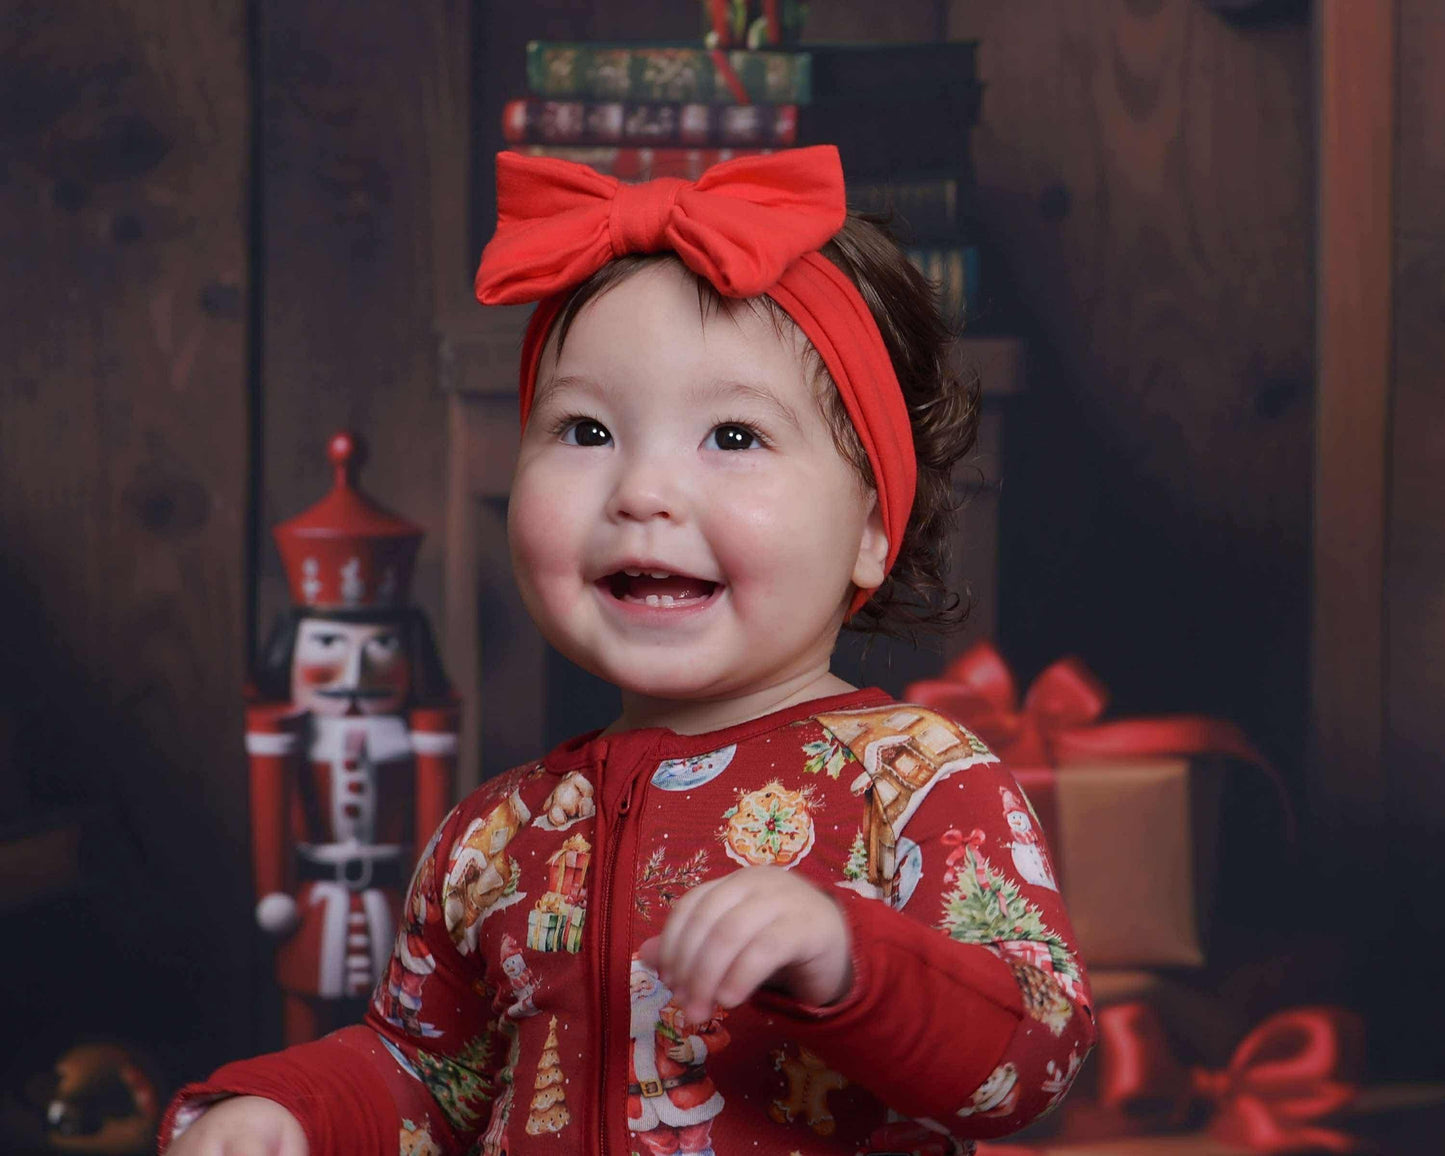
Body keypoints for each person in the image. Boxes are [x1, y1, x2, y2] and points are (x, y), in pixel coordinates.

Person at [161, 145, 1094, 1156]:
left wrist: (845, 951)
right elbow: (426, 1073)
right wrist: (291, 1111)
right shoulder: (490, 836)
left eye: (733, 436)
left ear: (873, 523)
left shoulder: (916, 782)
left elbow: (1033, 1051)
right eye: (585, 429)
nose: (639, 489)